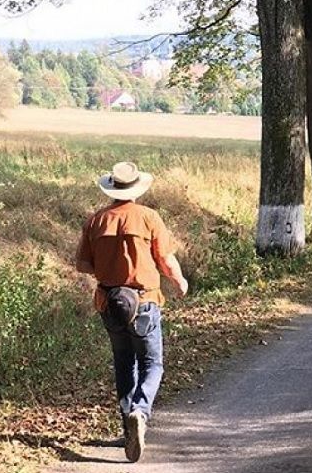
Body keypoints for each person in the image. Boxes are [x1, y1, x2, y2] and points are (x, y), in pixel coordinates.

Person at [75, 161, 188, 463]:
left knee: (124, 363)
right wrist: (179, 281)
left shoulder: (96, 221)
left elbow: (82, 265)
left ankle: (128, 427)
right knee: (153, 364)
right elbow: (165, 259)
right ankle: (140, 410)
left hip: (110, 303)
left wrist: (109, 266)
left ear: (112, 189)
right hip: (144, 301)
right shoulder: (149, 217)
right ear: (136, 189)